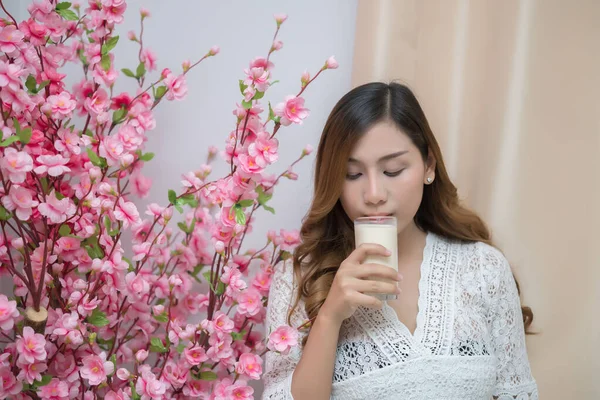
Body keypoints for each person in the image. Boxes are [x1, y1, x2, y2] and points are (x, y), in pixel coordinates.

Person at [262, 82, 538, 399]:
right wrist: (329, 317)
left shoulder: (484, 268)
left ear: (428, 166)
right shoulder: (298, 280)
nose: (374, 195)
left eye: (393, 170)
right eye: (352, 175)